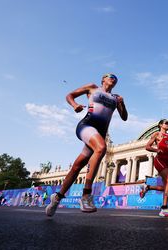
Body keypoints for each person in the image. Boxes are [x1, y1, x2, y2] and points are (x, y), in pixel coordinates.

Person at [46, 73, 127, 217]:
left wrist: (122, 103)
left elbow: (124, 117)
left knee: (77, 167)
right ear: (103, 79)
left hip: (99, 133)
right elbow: (70, 95)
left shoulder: (116, 98)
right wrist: (75, 105)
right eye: (110, 76)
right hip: (87, 126)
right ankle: (86, 195)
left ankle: (57, 197)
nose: (113, 79)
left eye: (115, 78)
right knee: (101, 148)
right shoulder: (92, 88)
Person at [140, 119, 168, 217]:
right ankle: (164, 208)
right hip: (159, 161)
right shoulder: (157, 134)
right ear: (161, 125)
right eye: (166, 123)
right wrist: (156, 150)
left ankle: (147, 187)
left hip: (167, 161)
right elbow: (147, 147)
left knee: (166, 187)